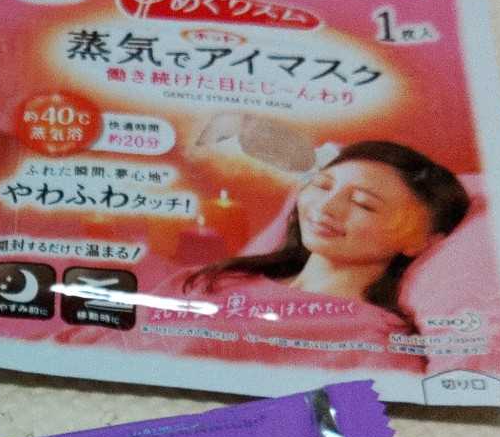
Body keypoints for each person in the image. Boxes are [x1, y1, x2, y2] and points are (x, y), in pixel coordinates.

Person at [184, 140, 470, 332]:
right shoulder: (218, 279)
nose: (326, 206)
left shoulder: (372, 338)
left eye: (363, 203)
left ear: (420, 239)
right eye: (322, 185)